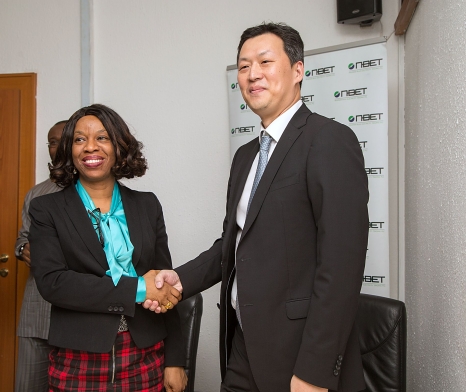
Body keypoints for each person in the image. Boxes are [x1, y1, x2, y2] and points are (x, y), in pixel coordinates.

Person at [146, 22, 369, 392]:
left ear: (298, 70)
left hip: (300, 355)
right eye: (244, 66)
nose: (252, 75)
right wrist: (180, 279)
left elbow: (342, 266)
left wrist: (315, 370)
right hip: (243, 348)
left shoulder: (328, 140)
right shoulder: (246, 156)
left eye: (264, 62)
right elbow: (233, 244)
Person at [29, 104, 187, 392]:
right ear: (69, 148)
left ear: (118, 146)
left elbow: (165, 282)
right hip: (79, 357)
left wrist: (176, 359)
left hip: (145, 354)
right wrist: (139, 288)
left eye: (102, 138)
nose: (91, 147)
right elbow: (54, 283)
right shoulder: (46, 209)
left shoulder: (147, 205)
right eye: (79, 139)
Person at [14, 120, 66, 392]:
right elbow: (22, 237)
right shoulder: (36, 194)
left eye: (63, 139)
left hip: (73, 315)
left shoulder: (94, 192)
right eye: (52, 142)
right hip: (36, 310)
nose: (56, 147)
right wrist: (23, 249)